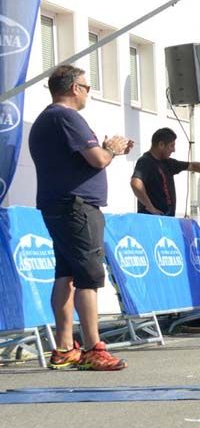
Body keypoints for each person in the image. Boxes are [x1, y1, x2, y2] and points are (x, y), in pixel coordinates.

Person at [30, 64, 133, 370]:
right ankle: (93, 348)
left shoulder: (47, 118)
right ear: (75, 88)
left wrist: (107, 151)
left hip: (59, 204)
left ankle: (64, 347)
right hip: (77, 207)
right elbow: (98, 159)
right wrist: (111, 149)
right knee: (88, 276)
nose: (89, 92)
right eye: (87, 87)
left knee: (67, 274)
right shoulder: (66, 116)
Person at [130, 127, 200, 216]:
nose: (173, 150)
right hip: (152, 221)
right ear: (161, 145)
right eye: (171, 145)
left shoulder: (168, 163)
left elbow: (193, 166)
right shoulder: (145, 161)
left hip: (166, 219)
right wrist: (150, 207)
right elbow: (136, 183)